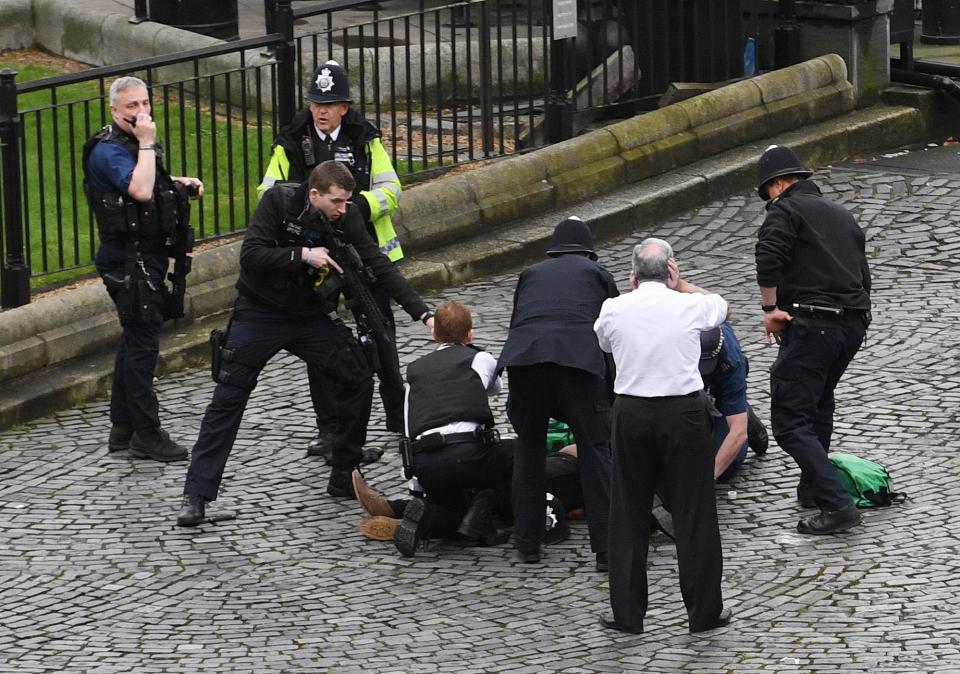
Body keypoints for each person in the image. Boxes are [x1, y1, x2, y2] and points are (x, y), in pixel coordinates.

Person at [176, 161, 432, 526]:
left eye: (347, 202)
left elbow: (378, 265)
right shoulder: (278, 203)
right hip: (259, 312)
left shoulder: (348, 215)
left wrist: (424, 314)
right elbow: (251, 254)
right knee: (228, 396)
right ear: (314, 195)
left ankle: (344, 472)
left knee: (358, 373)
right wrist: (301, 255)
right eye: (337, 202)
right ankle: (196, 496)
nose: (344, 209)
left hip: (310, 315)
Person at [258, 60, 406, 458]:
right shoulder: (291, 139)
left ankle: (398, 415)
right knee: (320, 344)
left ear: (345, 107)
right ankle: (329, 428)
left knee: (381, 335)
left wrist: (355, 207)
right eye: (315, 103)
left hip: (362, 252)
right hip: (314, 257)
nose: (321, 111)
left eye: (330, 103)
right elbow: (267, 193)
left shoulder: (364, 137)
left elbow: (391, 189)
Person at [594, 237, 731, 635]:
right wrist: (683, 285)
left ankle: (628, 614)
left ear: (633, 276)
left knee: (628, 512)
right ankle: (704, 612)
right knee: (694, 511)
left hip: (632, 412)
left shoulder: (614, 307)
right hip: (683, 413)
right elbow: (723, 307)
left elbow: (603, 341)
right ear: (670, 269)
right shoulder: (689, 304)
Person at [83, 76, 204, 462]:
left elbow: (151, 182)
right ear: (114, 111)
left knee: (134, 340)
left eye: (144, 104)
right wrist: (148, 143)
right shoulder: (110, 151)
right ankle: (146, 434)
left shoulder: (134, 143)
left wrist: (179, 183)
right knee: (142, 347)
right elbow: (139, 191)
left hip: (142, 256)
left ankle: (122, 430)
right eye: (131, 107)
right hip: (128, 261)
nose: (140, 113)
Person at [755, 144, 871, 535]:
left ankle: (837, 504)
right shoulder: (842, 214)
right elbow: (863, 275)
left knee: (790, 419)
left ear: (778, 184)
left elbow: (768, 257)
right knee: (818, 402)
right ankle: (814, 486)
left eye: (768, 190)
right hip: (852, 325)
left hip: (813, 323)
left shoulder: (784, 210)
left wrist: (771, 309)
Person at [497, 216, 617, 569]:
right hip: (577, 363)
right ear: (588, 252)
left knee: (529, 450)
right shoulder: (598, 275)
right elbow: (613, 336)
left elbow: (519, 322)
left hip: (526, 361)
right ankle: (607, 548)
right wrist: (610, 396)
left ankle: (528, 542)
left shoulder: (530, 274)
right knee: (596, 452)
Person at [387, 301, 514, 557]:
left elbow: (409, 426)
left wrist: (416, 487)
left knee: (453, 515)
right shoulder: (480, 358)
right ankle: (485, 508)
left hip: (426, 462)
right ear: (470, 334)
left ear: (434, 334)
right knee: (518, 452)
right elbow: (495, 388)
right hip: (469, 454)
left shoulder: (415, 370)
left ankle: (427, 516)